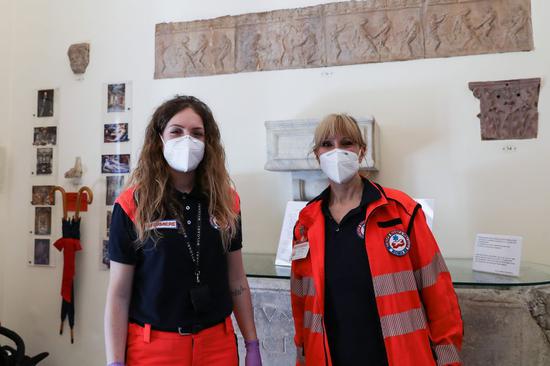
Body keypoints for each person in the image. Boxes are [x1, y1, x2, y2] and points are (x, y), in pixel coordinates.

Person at [290, 114, 463, 365]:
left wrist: (448, 358)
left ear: (361, 151)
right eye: (327, 144)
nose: (336, 152)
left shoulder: (401, 211)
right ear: (317, 154)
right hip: (331, 354)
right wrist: (303, 355)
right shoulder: (306, 223)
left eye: (346, 143)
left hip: (398, 355)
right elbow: (300, 302)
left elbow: (438, 291)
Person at [104, 95, 262, 366]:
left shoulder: (226, 201)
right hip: (153, 348)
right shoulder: (131, 204)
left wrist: (252, 344)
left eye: (196, 133)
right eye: (176, 131)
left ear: (207, 142)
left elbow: (236, 279)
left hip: (217, 346)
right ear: (159, 139)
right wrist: (115, 361)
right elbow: (118, 294)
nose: (187, 140)